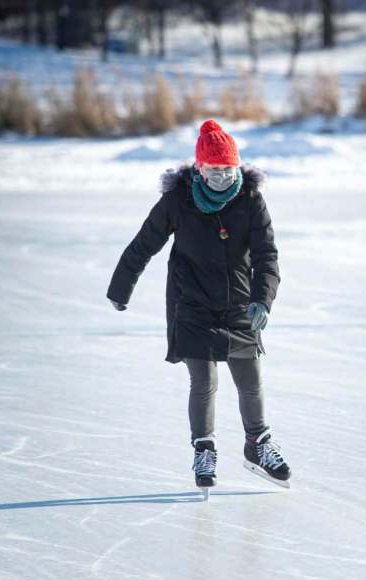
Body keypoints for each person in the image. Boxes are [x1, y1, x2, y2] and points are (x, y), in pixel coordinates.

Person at [107, 119, 291, 494]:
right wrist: (121, 288)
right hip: (191, 303)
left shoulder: (251, 199)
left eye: (228, 169)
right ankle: (203, 448)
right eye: (213, 170)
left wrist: (262, 299)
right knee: (204, 381)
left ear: (236, 167)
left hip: (239, 303)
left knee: (250, 380)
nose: (222, 177)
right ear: (199, 168)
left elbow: (267, 255)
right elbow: (145, 243)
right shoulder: (180, 200)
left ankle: (257, 445)